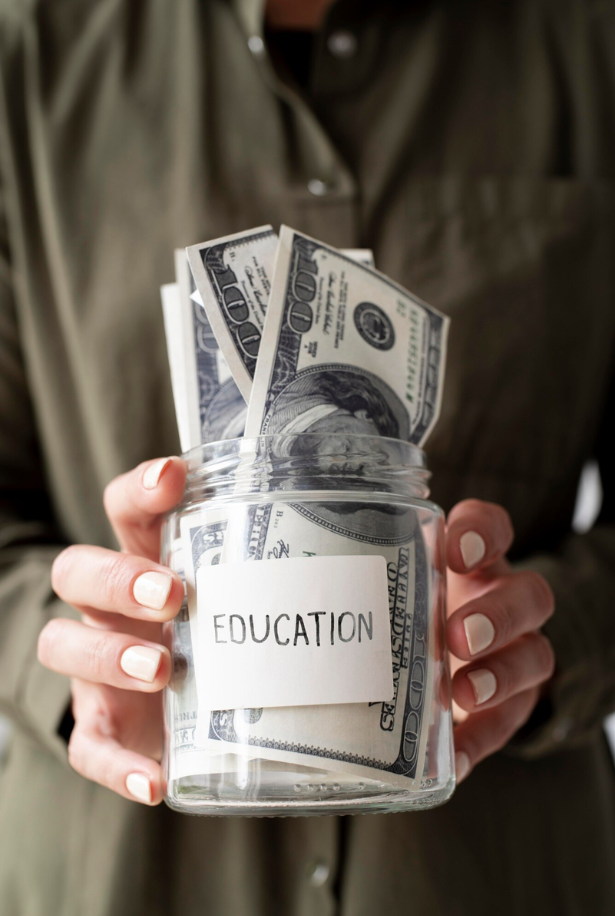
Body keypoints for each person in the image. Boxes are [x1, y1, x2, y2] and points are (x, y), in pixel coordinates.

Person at [1, 0, 614, 914]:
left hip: (494, 871)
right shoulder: (28, 49)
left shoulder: (586, 40)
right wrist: (70, 659)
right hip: (120, 875)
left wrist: (550, 643)